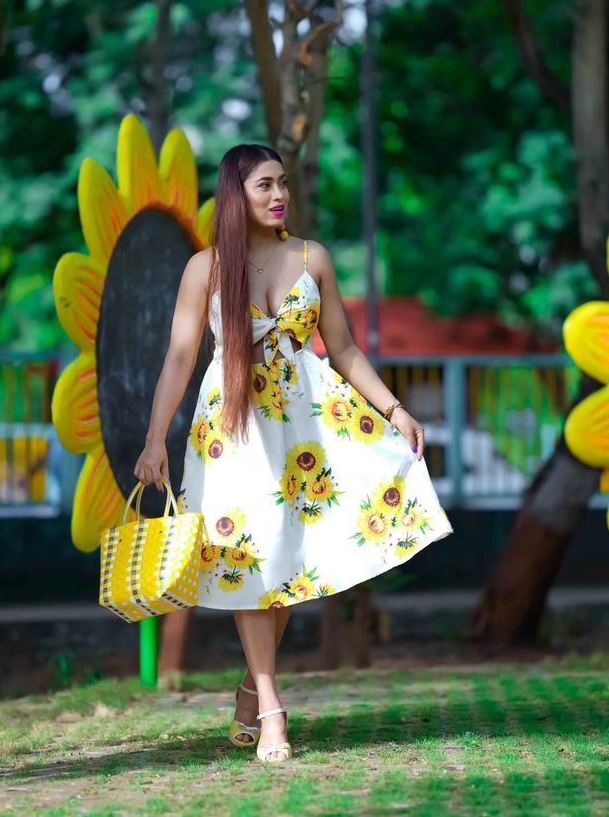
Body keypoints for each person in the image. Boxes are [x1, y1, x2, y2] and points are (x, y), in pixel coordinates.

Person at [133, 144, 454, 763]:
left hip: (308, 429)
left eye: (283, 184)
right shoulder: (206, 267)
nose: (279, 195)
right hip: (232, 431)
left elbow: (344, 350)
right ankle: (274, 711)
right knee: (251, 558)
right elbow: (179, 355)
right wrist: (154, 441)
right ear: (237, 195)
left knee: (292, 561)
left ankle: (251, 688)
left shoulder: (314, 258)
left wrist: (394, 409)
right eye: (264, 186)